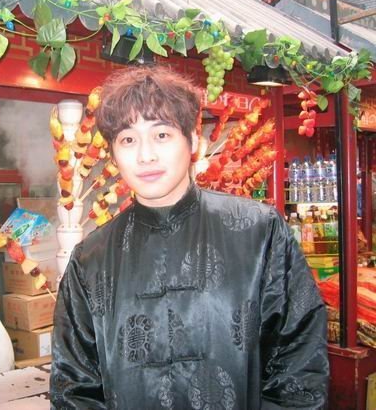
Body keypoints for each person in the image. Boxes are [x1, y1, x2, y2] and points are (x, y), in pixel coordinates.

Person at [50, 66, 328, 409]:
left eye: (162, 134)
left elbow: (299, 361)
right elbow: (74, 387)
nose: (146, 155)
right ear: (113, 152)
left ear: (193, 142)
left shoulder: (258, 232)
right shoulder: (90, 260)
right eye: (128, 139)